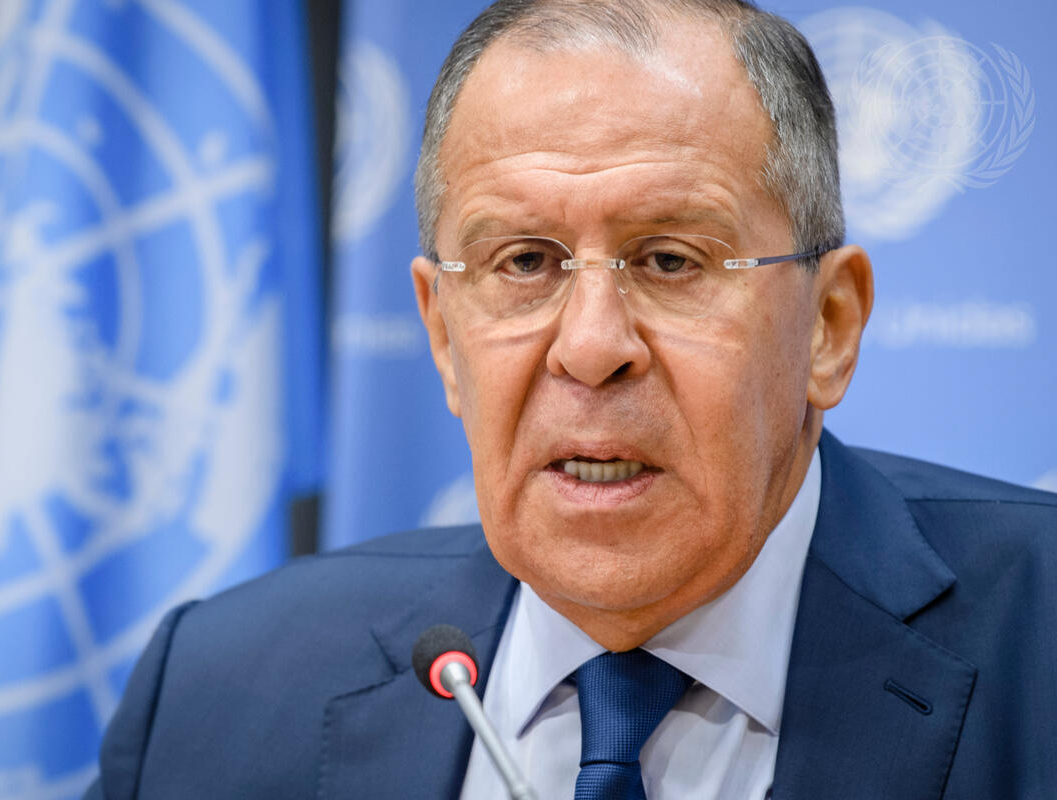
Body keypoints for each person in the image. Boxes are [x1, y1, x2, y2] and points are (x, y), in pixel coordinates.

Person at [85, 1, 1057, 797]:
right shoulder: (217, 690)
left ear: (829, 326)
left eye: (670, 259)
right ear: (443, 336)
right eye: (524, 261)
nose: (591, 348)